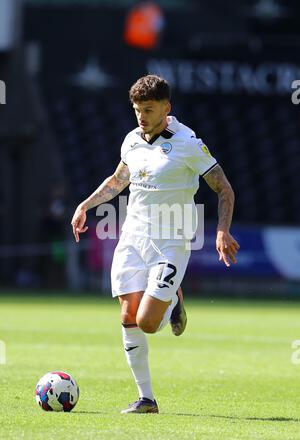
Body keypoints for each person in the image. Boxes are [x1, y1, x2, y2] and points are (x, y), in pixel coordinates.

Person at [71, 75, 240, 414]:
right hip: (132, 238)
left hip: (172, 241)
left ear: (167, 108)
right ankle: (146, 398)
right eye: (137, 110)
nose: (142, 117)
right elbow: (119, 180)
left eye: (149, 109)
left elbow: (224, 188)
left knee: (148, 322)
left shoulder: (188, 143)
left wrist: (222, 230)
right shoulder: (132, 140)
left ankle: (173, 302)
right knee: (127, 316)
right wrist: (85, 205)